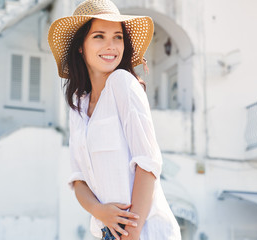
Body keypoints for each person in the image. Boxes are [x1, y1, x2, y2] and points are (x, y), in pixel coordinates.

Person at [48, 0, 181, 239]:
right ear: (81, 45)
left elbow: (147, 164)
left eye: (118, 37)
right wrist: (101, 211)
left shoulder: (123, 82)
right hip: (106, 232)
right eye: (99, 36)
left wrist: (132, 232)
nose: (111, 46)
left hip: (146, 231)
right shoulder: (78, 104)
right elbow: (79, 180)